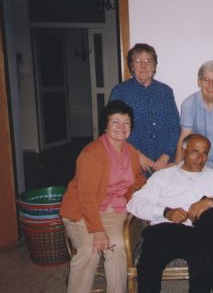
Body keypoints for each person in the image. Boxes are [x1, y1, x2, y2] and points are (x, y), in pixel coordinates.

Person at [127, 134, 213, 293]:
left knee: (207, 251)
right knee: (149, 261)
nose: (200, 158)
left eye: (205, 153)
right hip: (164, 229)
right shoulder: (163, 176)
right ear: (183, 151)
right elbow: (135, 203)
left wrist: (211, 201)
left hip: (199, 232)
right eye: (195, 151)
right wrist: (165, 211)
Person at [60, 100, 146, 293]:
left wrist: (148, 189)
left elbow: (138, 178)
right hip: (82, 210)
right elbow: (87, 196)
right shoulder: (92, 153)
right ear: (105, 126)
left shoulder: (131, 152)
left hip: (113, 209)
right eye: (115, 122)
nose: (121, 128)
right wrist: (97, 230)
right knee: (90, 250)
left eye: (126, 123)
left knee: (117, 246)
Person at [109, 43, 180, 175]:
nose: (143, 66)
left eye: (148, 61)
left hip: (164, 165)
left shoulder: (166, 92)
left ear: (154, 66)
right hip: (130, 163)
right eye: (138, 61)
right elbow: (113, 128)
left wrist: (166, 155)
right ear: (131, 65)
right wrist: (136, 155)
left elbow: (175, 126)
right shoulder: (120, 92)